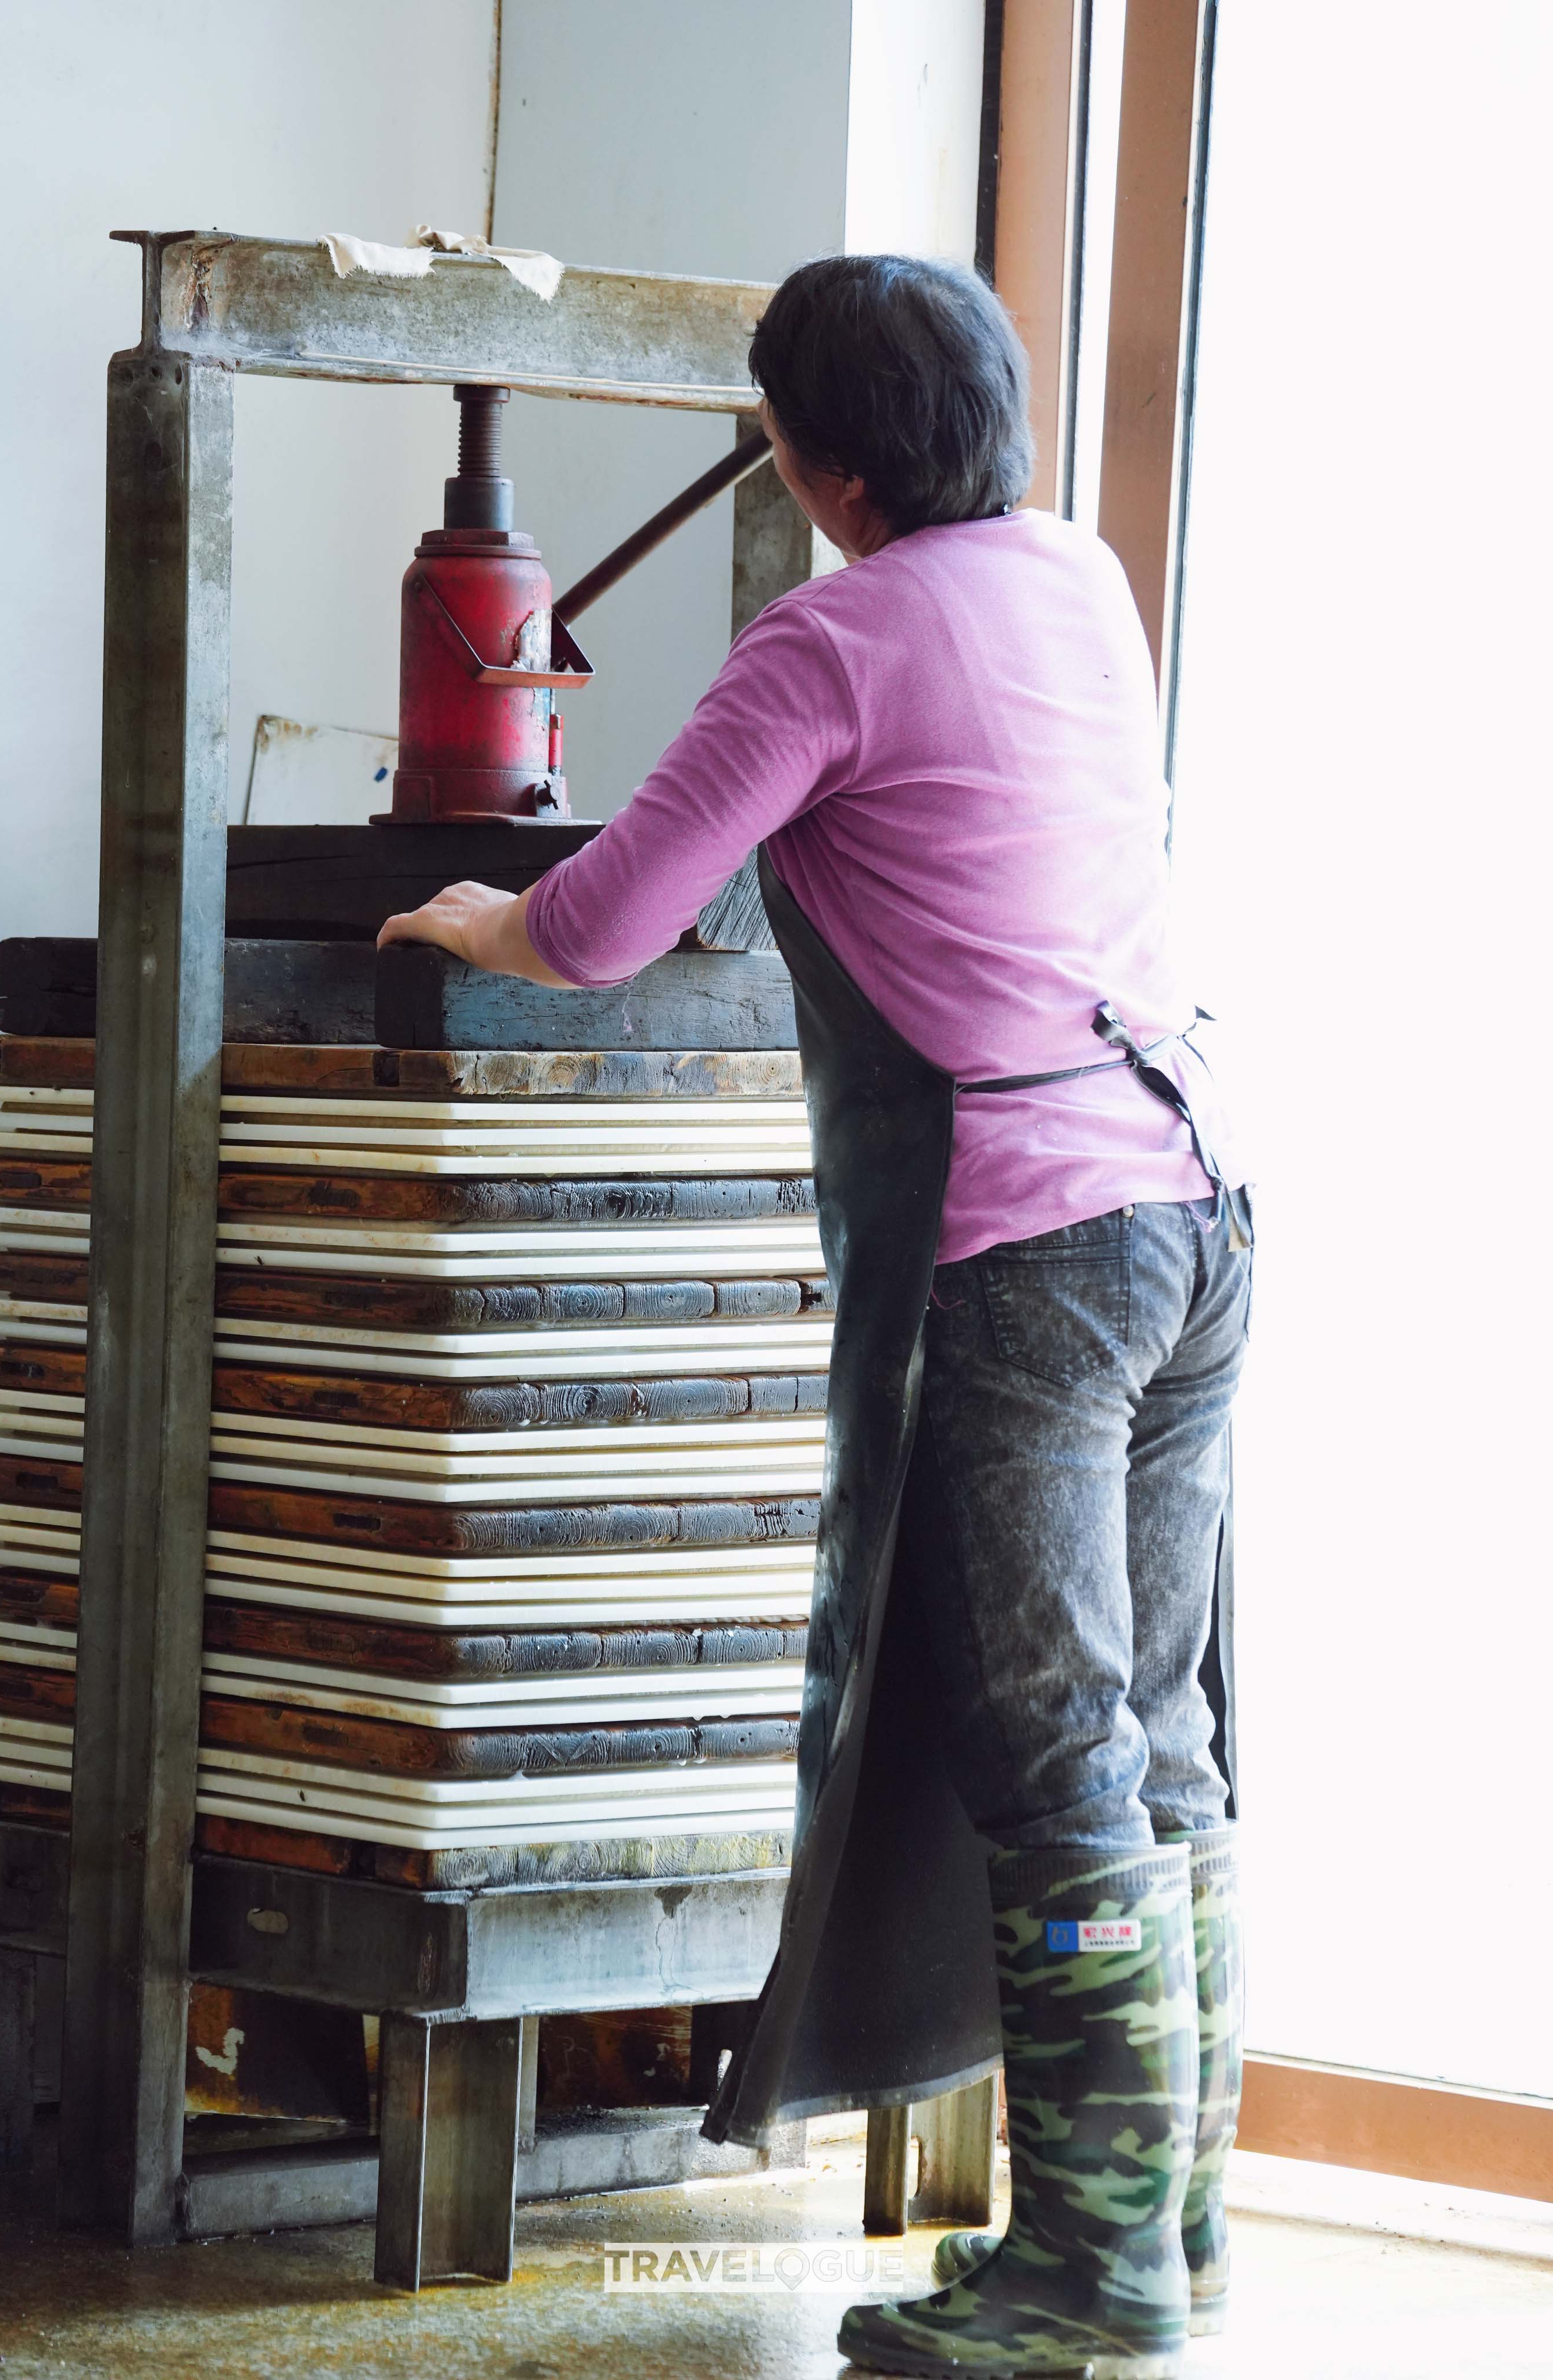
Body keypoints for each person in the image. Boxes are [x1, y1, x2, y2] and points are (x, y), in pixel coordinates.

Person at [380, 253, 1252, 2380]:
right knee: (1158, 1738)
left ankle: (1088, 2282)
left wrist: (462, 912)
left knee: (1051, 1753)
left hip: (1021, 1239)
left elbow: (596, 929)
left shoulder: (831, 635)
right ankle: (1169, 2236)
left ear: (821, 459)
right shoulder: (1080, 576)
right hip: (1196, 1198)